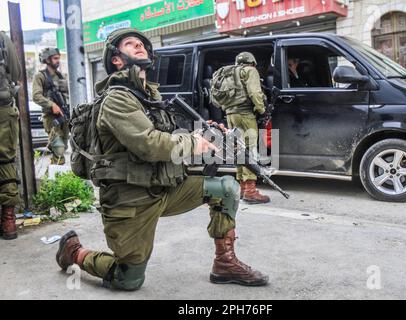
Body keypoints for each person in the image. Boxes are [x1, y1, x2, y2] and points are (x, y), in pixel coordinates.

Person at [55, 28, 268, 291]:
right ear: (116, 59)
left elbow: (168, 136)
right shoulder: (117, 99)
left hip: (164, 189)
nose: (139, 46)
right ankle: (73, 252)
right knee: (128, 278)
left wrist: (203, 133)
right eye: (130, 44)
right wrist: (194, 143)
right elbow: (150, 144)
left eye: (142, 43)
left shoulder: (148, 96)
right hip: (130, 199)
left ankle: (225, 263)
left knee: (226, 188)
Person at [222, 52, 271, 204]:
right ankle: (250, 191)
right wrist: (262, 110)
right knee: (250, 150)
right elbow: (254, 92)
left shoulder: (230, 73)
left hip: (230, 115)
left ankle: (243, 188)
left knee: (239, 150)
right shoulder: (250, 71)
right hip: (245, 115)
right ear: (253, 62)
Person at [0, 31, 21, 240]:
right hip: (2, 110)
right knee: (5, 160)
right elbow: (15, 73)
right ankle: (8, 221)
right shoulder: (1, 38)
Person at [32, 47, 69, 165]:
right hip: (51, 118)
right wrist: (51, 104)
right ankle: (54, 178)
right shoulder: (40, 76)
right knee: (58, 149)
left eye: (59, 58)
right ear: (47, 60)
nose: (58, 61)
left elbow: (66, 95)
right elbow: (36, 96)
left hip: (63, 117)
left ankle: (53, 176)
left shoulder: (60, 76)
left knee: (63, 148)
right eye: (55, 58)